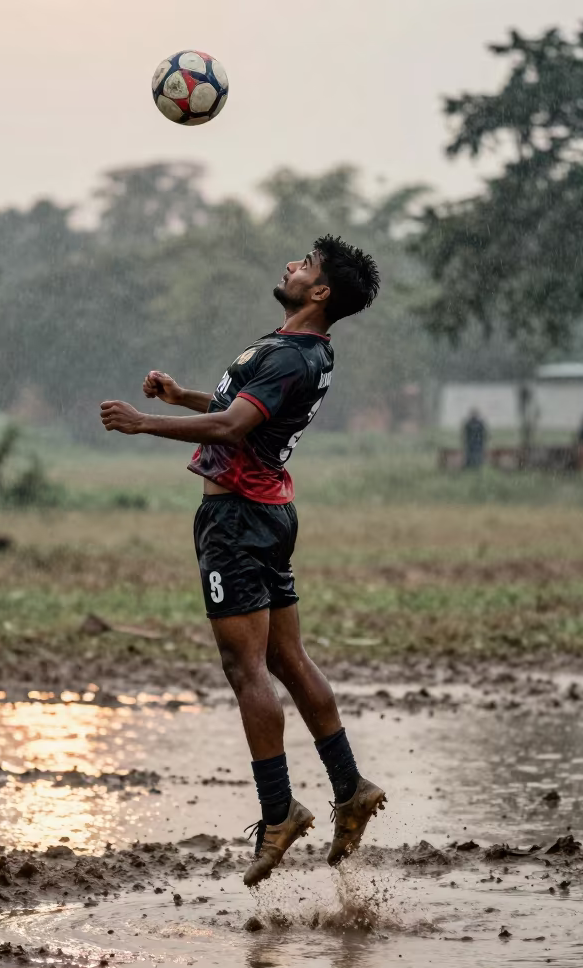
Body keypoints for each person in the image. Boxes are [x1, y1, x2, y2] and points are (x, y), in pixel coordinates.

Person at [100, 236, 385, 886]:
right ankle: (350, 786)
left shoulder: (291, 356)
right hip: (270, 513)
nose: (291, 264)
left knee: (244, 666)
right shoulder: (297, 351)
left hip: (236, 521)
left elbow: (232, 429)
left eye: (306, 265)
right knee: (287, 658)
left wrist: (144, 422)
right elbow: (239, 413)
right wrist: (180, 399)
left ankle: (278, 811)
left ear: (319, 293)